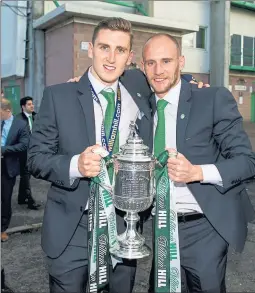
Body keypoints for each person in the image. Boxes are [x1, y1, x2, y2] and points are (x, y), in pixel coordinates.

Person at [27, 17, 154, 293]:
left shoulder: (140, 97)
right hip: (72, 229)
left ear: (129, 57)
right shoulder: (58, 96)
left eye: (120, 50)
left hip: (122, 228)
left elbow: (173, 84)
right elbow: (35, 157)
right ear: (91, 49)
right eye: (104, 47)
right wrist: (75, 165)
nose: (111, 58)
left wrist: (195, 85)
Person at [140, 33, 255, 293]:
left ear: (181, 62)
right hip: (160, 228)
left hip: (204, 228)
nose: (158, 71)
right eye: (151, 63)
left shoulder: (211, 99)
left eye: (166, 61)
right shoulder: (141, 104)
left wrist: (197, 172)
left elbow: (247, 163)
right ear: (142, 66)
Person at [1, 98, 29, 242]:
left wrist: (4, 150)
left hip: (8, 166)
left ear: (7, 111)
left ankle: (2, 229)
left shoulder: (21, 124)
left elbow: (24, 145)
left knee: (5, 198)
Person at [16, 96, 41, 210]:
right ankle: (30, 200)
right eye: (29, 104)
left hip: (33, 150)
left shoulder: (36, 117)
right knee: (25, 175)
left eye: (32, 104)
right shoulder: (18, 119)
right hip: (23, 152)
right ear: (23, 107)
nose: (32, 106)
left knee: (26, 175)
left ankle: (21, 198)